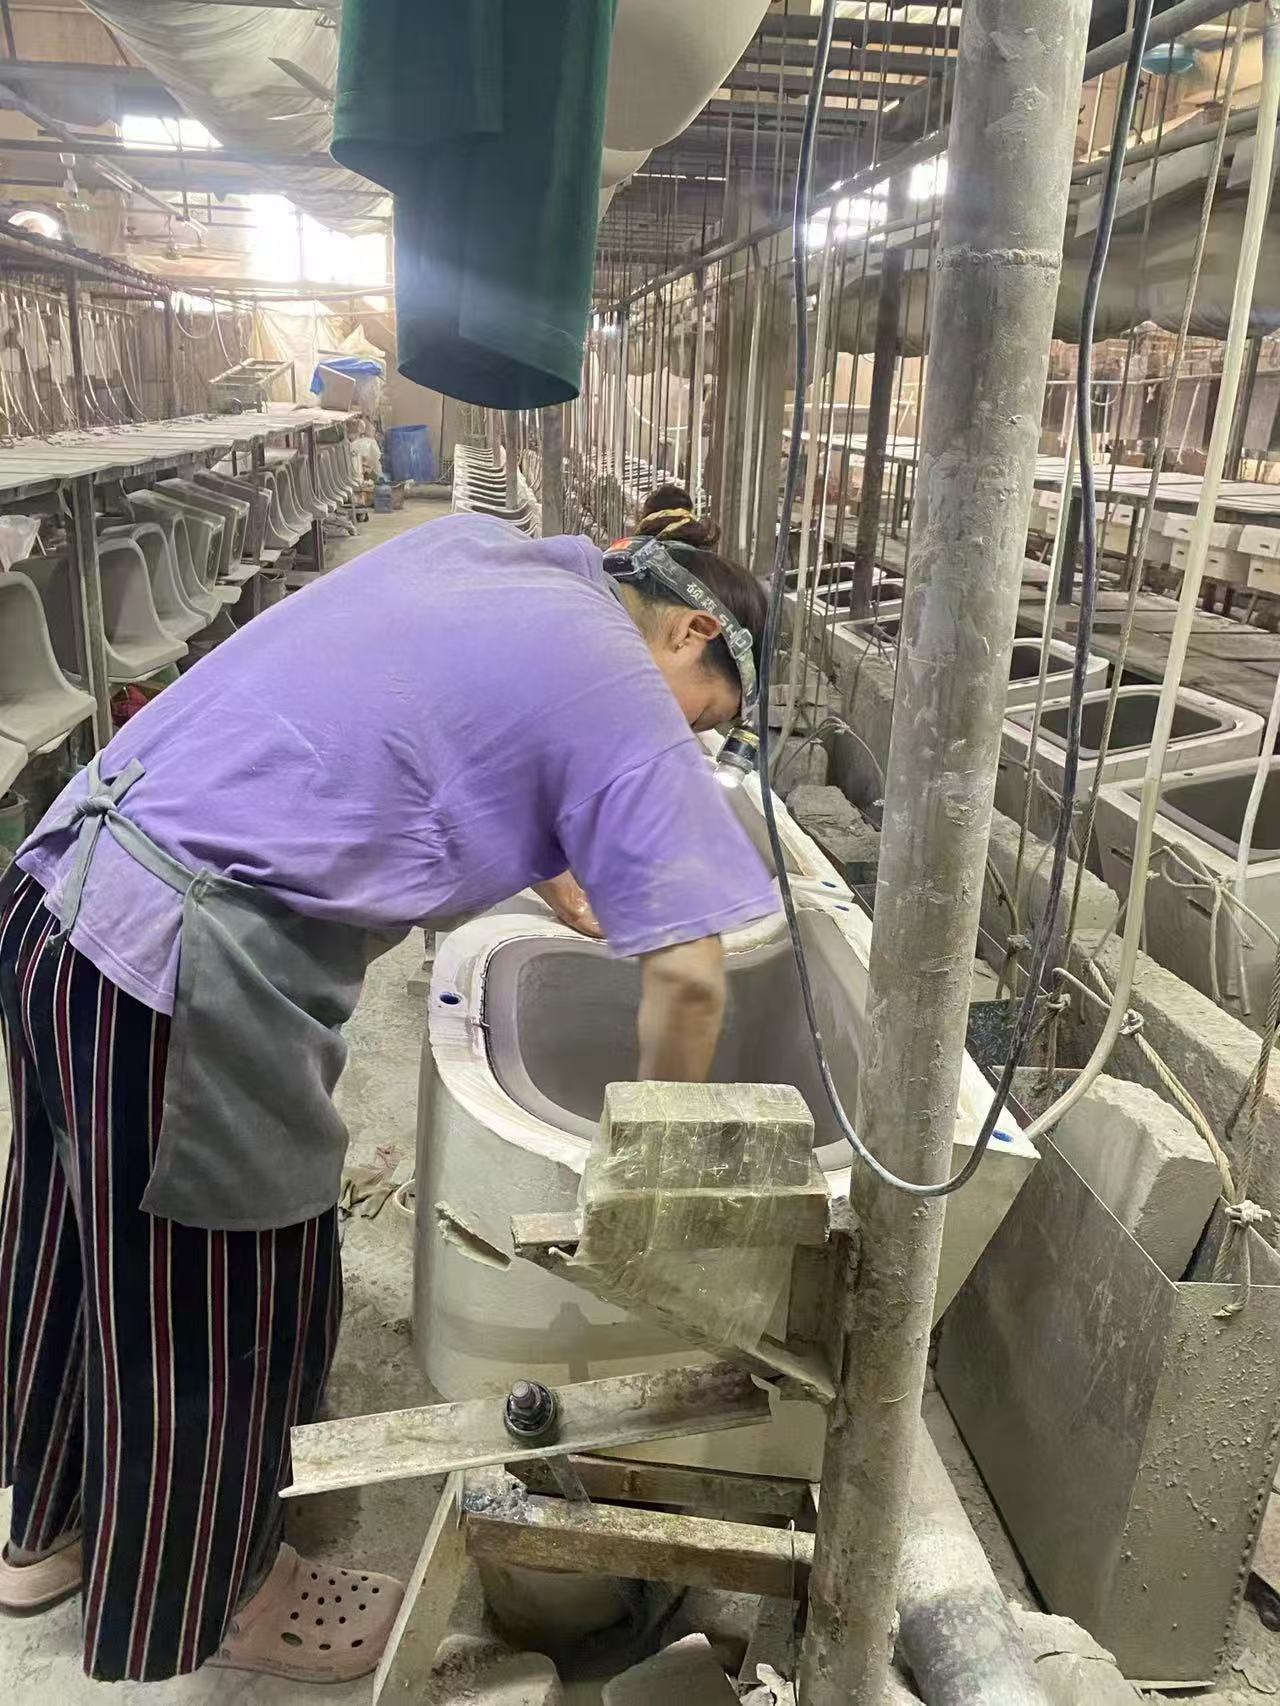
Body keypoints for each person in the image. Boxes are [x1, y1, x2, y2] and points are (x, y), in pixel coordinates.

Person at [0, 486, 776, 1684]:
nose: (690, 744)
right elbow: (687, 980)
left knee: (78, 1247)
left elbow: (411, 748)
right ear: (687, 634)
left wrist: (558, 863)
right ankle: (217, 1598)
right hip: (179, 974)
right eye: (707, 719)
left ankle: (44, 1532)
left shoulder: (490, 557)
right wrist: (647, 1179)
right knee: (222, 1307)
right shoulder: (621, 683)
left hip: (65, 901)